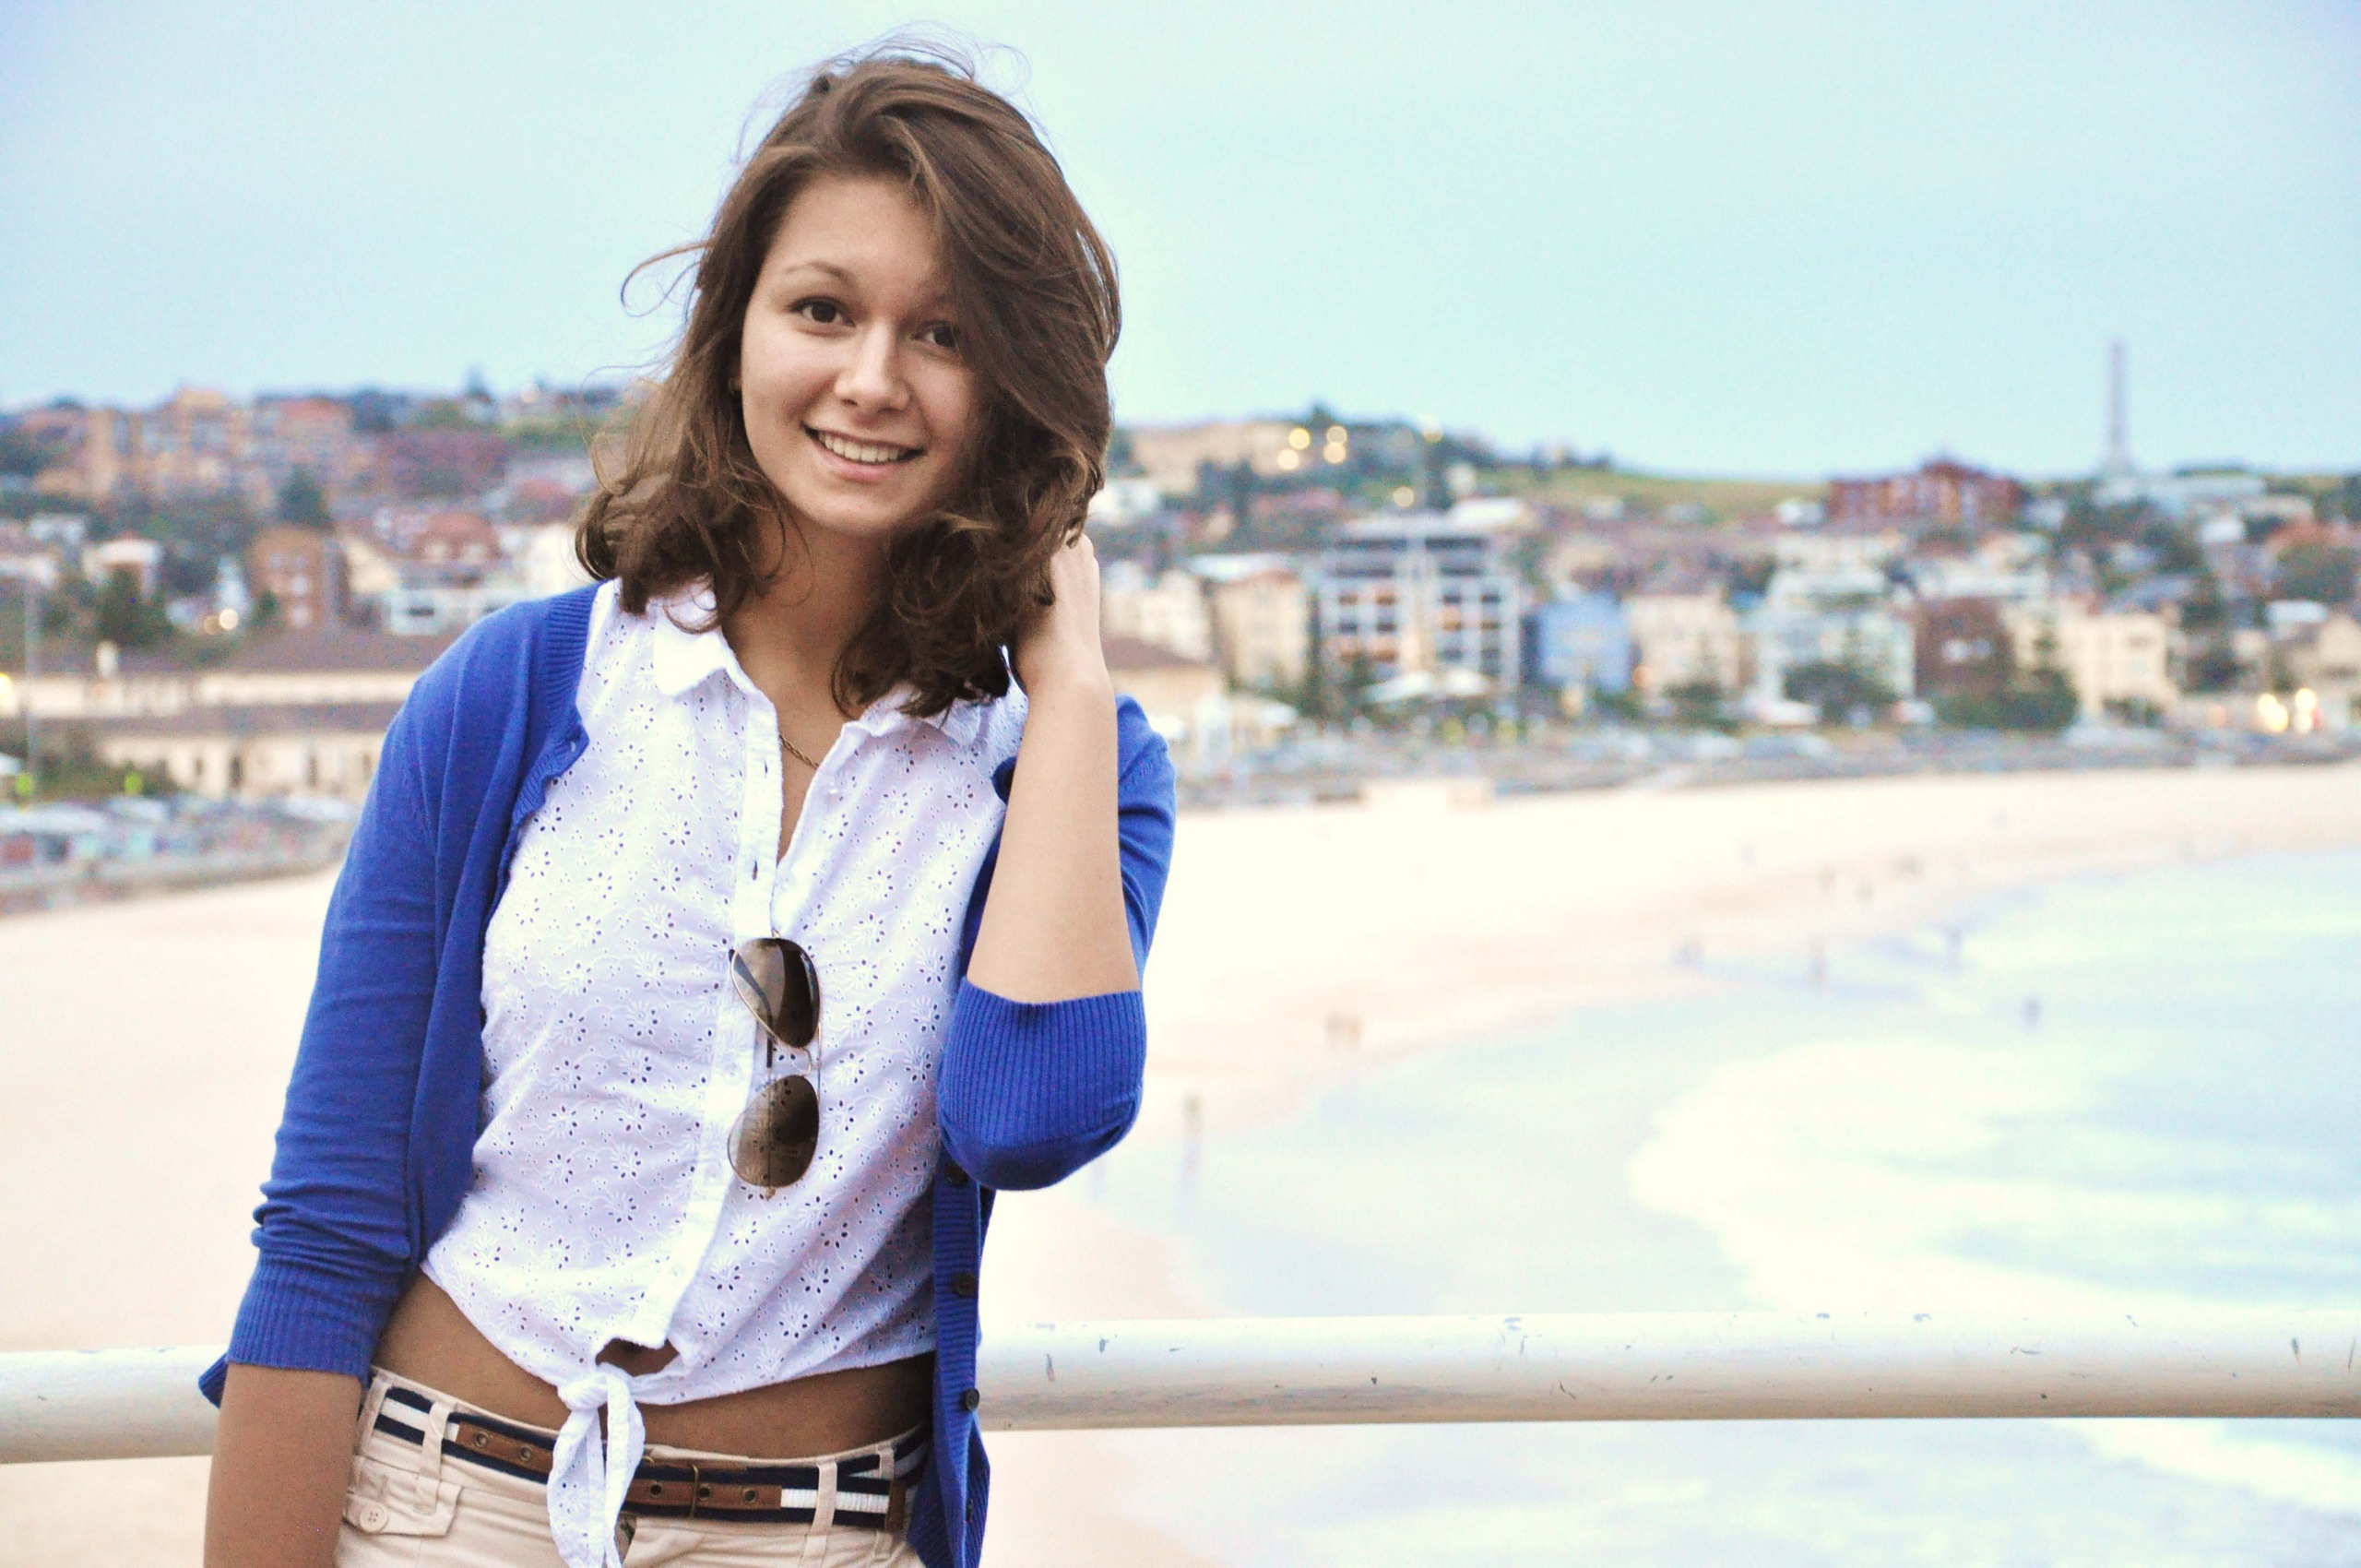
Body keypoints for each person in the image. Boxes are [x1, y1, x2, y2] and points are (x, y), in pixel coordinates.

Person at [202, 50, 1174, 1568]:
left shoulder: (1063, 761)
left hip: (823, 1540)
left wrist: (1067, 681)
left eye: (946, 334)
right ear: (735, 334)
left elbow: (1032, 1118)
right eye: (823, 311)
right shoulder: (517, 695)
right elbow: (328, 1229)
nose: (873, 379)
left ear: (1016, 387)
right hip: (440, 1513)